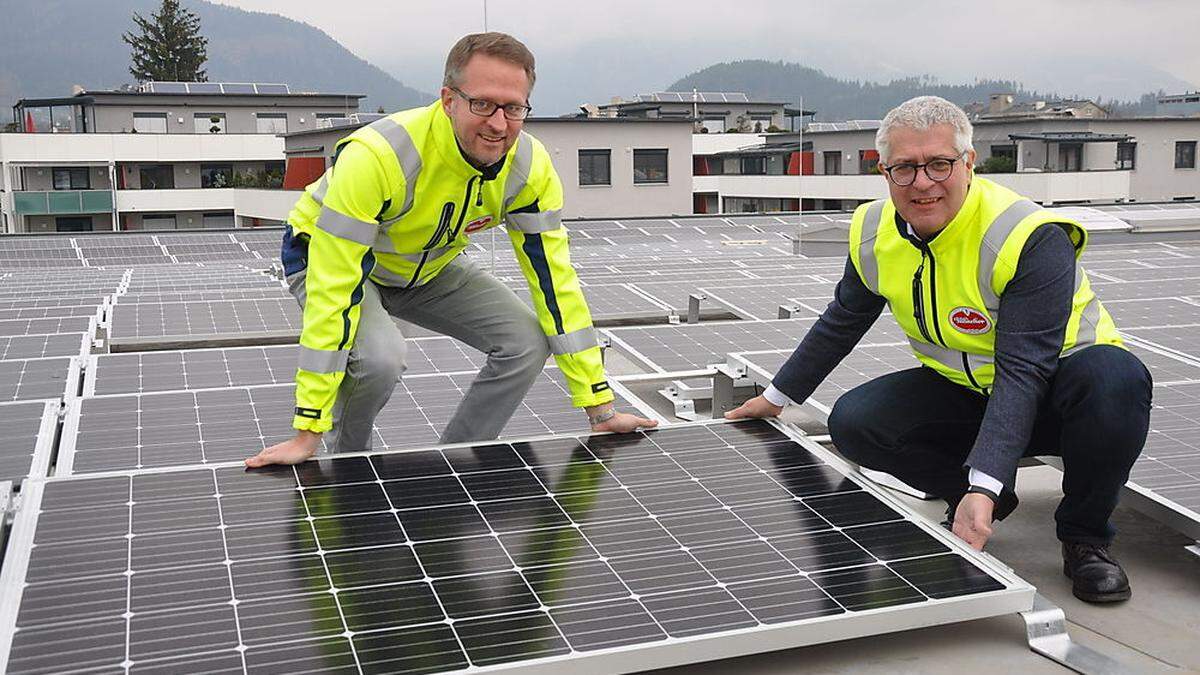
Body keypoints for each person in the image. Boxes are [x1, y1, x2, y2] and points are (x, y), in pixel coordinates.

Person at [726, 95, 1151, 603]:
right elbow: (843, 319)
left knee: (1116, 377)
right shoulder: (872, 231)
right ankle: (986, 496)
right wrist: (776, 397)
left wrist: (984, 481)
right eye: (904, 167)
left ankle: (1085, 539)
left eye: (939, 164)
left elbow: (1023, 369)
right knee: (855, 421)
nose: (922, 182)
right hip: (965, 392)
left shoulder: (1025, 235)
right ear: (883, 171)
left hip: (1061, 397)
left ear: (968, 162)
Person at [246, 32, 656, 469]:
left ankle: (455, 460)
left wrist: (600, 409)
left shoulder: (529, 168)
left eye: (513, 108)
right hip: (330, 259)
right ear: (448, 99)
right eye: (482, 104)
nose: (498, 124)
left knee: (526, 342)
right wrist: (308, 428)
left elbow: (556, 284)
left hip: (428, 264)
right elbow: (334, 290)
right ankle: (350, 468)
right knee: (380, 358)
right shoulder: (379, 156)